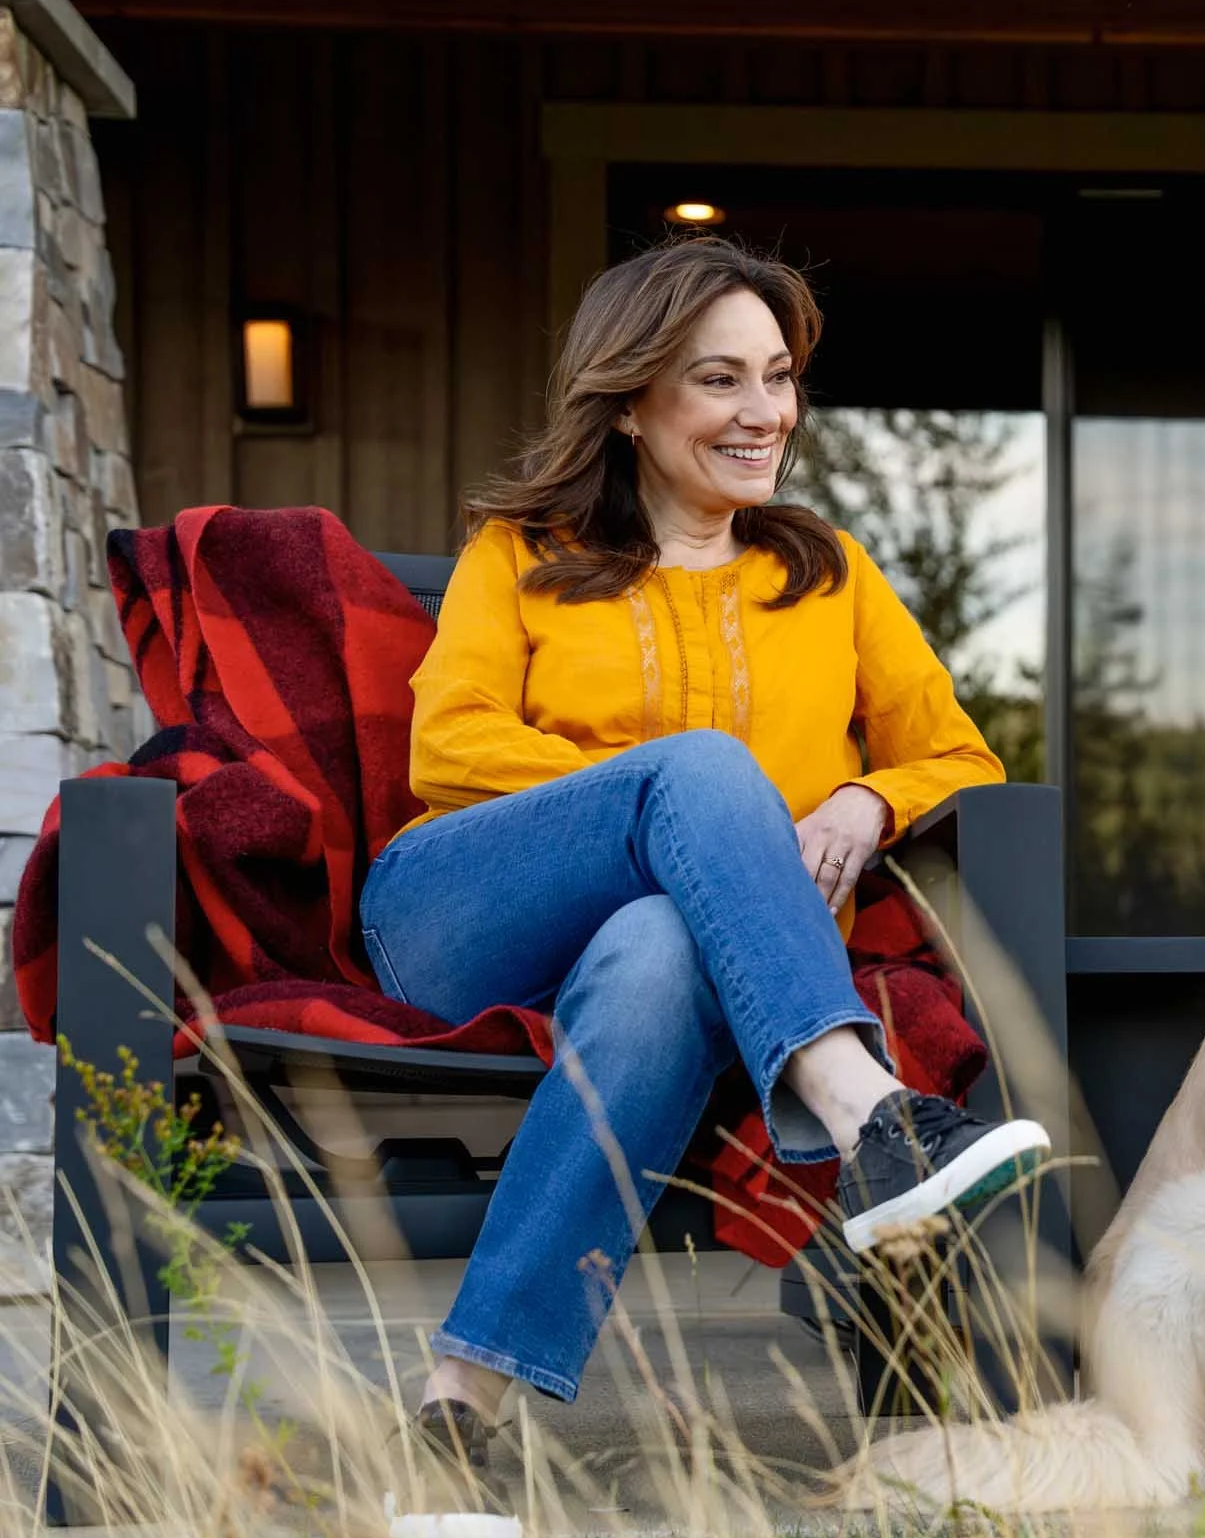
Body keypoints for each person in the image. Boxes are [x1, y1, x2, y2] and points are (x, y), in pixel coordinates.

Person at [360, 235, 1050, 1466]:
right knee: (700, 768)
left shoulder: (823, 572)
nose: (764, 412)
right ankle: (867, 1111)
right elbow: (447, 748)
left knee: (665, 941)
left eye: (777, 376)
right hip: (461, 915)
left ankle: (460, 1395)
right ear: (630, 400)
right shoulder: (520, 550)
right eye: (720, 378)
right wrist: (670, 803)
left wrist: (864, 802)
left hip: (694, 960)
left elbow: (956, 755)